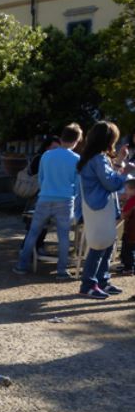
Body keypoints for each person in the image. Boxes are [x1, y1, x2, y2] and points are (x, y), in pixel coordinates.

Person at [13, 124, 82, 280]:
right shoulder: (77, 159)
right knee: (63, 236)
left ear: (62, 136)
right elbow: (77, 184)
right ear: (76, 140)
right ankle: (62, 270)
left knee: (33, 232)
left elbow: (41, 178)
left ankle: (22, 265)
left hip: (44, 198)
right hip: (65, 201)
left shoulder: (46, 155)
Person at [76, 121, 135, 299]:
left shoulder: (91, 157)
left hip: (97, 206)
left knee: (107, 244)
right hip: (101, 207)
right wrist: (122, 168)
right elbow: (111, 183)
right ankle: (89, 284)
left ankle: (101, 281)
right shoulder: (99, 159)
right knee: (100, 245)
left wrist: (118, 164)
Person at [22, 135, 62, 256]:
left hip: (44, 196)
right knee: (34, 226)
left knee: (42, 226)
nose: (56, 151)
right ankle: (27, 250)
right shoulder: (40, 158)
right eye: (54, 147)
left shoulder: (48, 158)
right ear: (47, 146)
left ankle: (35, 248)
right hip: (37, 195)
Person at [119, 179, 135, 275]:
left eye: (126, 189)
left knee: (128, 249)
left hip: (130, 231)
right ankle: (129, 266)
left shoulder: (131, 201)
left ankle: (129, 268)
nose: (125, 192)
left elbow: (124, 215)